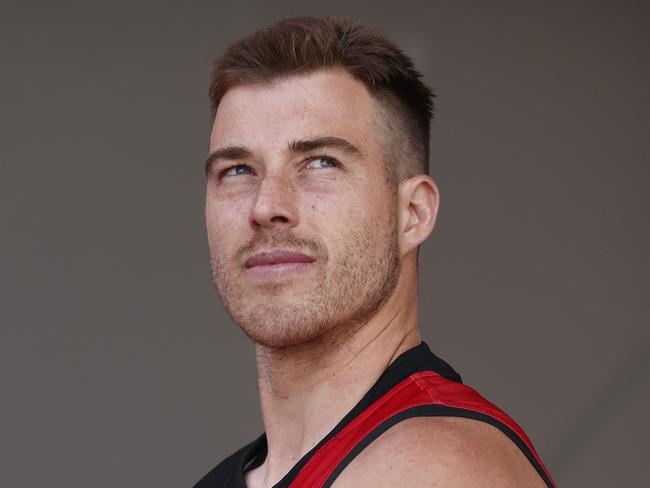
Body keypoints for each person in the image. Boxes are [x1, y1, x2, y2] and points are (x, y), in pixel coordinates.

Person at [195, 16, 556, 488]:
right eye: (238, 170)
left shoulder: (439, 468)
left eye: (321, 162)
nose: (267, 206)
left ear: (413, 213)